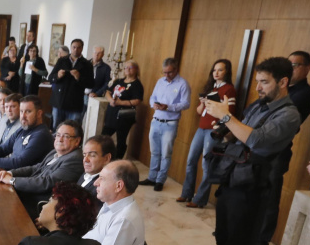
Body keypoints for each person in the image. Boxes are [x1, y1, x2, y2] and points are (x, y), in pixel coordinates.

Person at [193, 57, 301, 245]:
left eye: (265, 82)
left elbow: (257, 141)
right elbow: (241, 131)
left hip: (253, 184)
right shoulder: (259, 105)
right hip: (234, 176)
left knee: (238, 244)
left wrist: (227, 116)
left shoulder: (289, 114)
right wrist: (225, 127)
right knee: (223, 237)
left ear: (283, 82)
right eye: (257, 82)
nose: (259, 87)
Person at [252, 50, 310, 245]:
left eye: (296, 65)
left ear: (307, 68)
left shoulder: (304, 93)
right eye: (288, 64)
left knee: (269, 195)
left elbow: (275, 117)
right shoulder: (275, 91)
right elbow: (256, 109)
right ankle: (246, 234)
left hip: (278, 150)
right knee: (252, 191)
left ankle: (261, 242)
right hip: (259, 147)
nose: (291, 68)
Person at [178, 59, 236, 208]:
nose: (216, 73)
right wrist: (203, 101)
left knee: (206, 164)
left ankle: (200, 200)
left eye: (220, 70)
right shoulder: (210, 87)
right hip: (201, 128)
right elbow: (199, 112)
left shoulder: (229, 89)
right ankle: (186, 193)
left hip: (213, 130)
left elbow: (229, 113)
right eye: (214, 70)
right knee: (191, 160)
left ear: (227, 72)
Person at [0, 119, 84, 214]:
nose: (60, 139)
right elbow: (35, 168)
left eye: (66, 136)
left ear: (77, 141)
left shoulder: (75, 159)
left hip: (38, 205)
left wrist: (12, 180)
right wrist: (10, 173)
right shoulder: (55, 152)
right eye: (58, 135)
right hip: (27, 195)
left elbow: (46, 182)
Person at [84, 161, 146, 245]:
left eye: (101, 179)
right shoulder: (110, 204)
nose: (96, 183)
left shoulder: (124, 220)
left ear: (118, 186)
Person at [137, 58, 191, 191]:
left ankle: (160, 180)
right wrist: (153, 104)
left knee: (166, 154)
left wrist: (169, 107)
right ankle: (151, 177)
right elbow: (152, 97)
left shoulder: (183, 84)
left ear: (176, 69)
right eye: (164, 72)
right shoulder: (160, 82)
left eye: (170, 72)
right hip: (156, 121)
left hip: (170, 123)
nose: (166, 75)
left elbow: (186, 103)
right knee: (154, 152)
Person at [0, 95, 54, 170]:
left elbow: (20, 163)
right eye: (21, 111)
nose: (23, 116)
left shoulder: (41, 135)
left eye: (28, 111)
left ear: (39, 114)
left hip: (20, 178)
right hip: (8, 174)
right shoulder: (23, 129)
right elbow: (4, 148)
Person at [101, 60, 144, 160]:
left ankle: (117, 160)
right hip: (112, 114)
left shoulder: (137, 85)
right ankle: (103, 157)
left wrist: (121, 103)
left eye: (130, 67)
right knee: (104, 137)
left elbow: (137, 101)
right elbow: (107, 92)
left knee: (121, 140)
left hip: (124, 116)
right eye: (126, 67)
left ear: (136, 70)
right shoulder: (118, 81)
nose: (127, 69)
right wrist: (111, 100)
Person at [49, 39, 93, 126]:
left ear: (82, 48)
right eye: (74, 47)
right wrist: (58, 76)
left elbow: (91, 84)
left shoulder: (87, 64)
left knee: (73, 130)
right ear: (71, 48)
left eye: (78, 47)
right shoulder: (61, 60)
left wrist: (79, 77)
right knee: (56, 128)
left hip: (75, 104)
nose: (76, 49)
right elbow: (50, 78)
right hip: (59, 101)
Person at [80, 135, 115, 206]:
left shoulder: (102, 188)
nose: (85, 160)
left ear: (106, 158)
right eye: (84, 155)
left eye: (92, 155)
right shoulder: (87, 173)